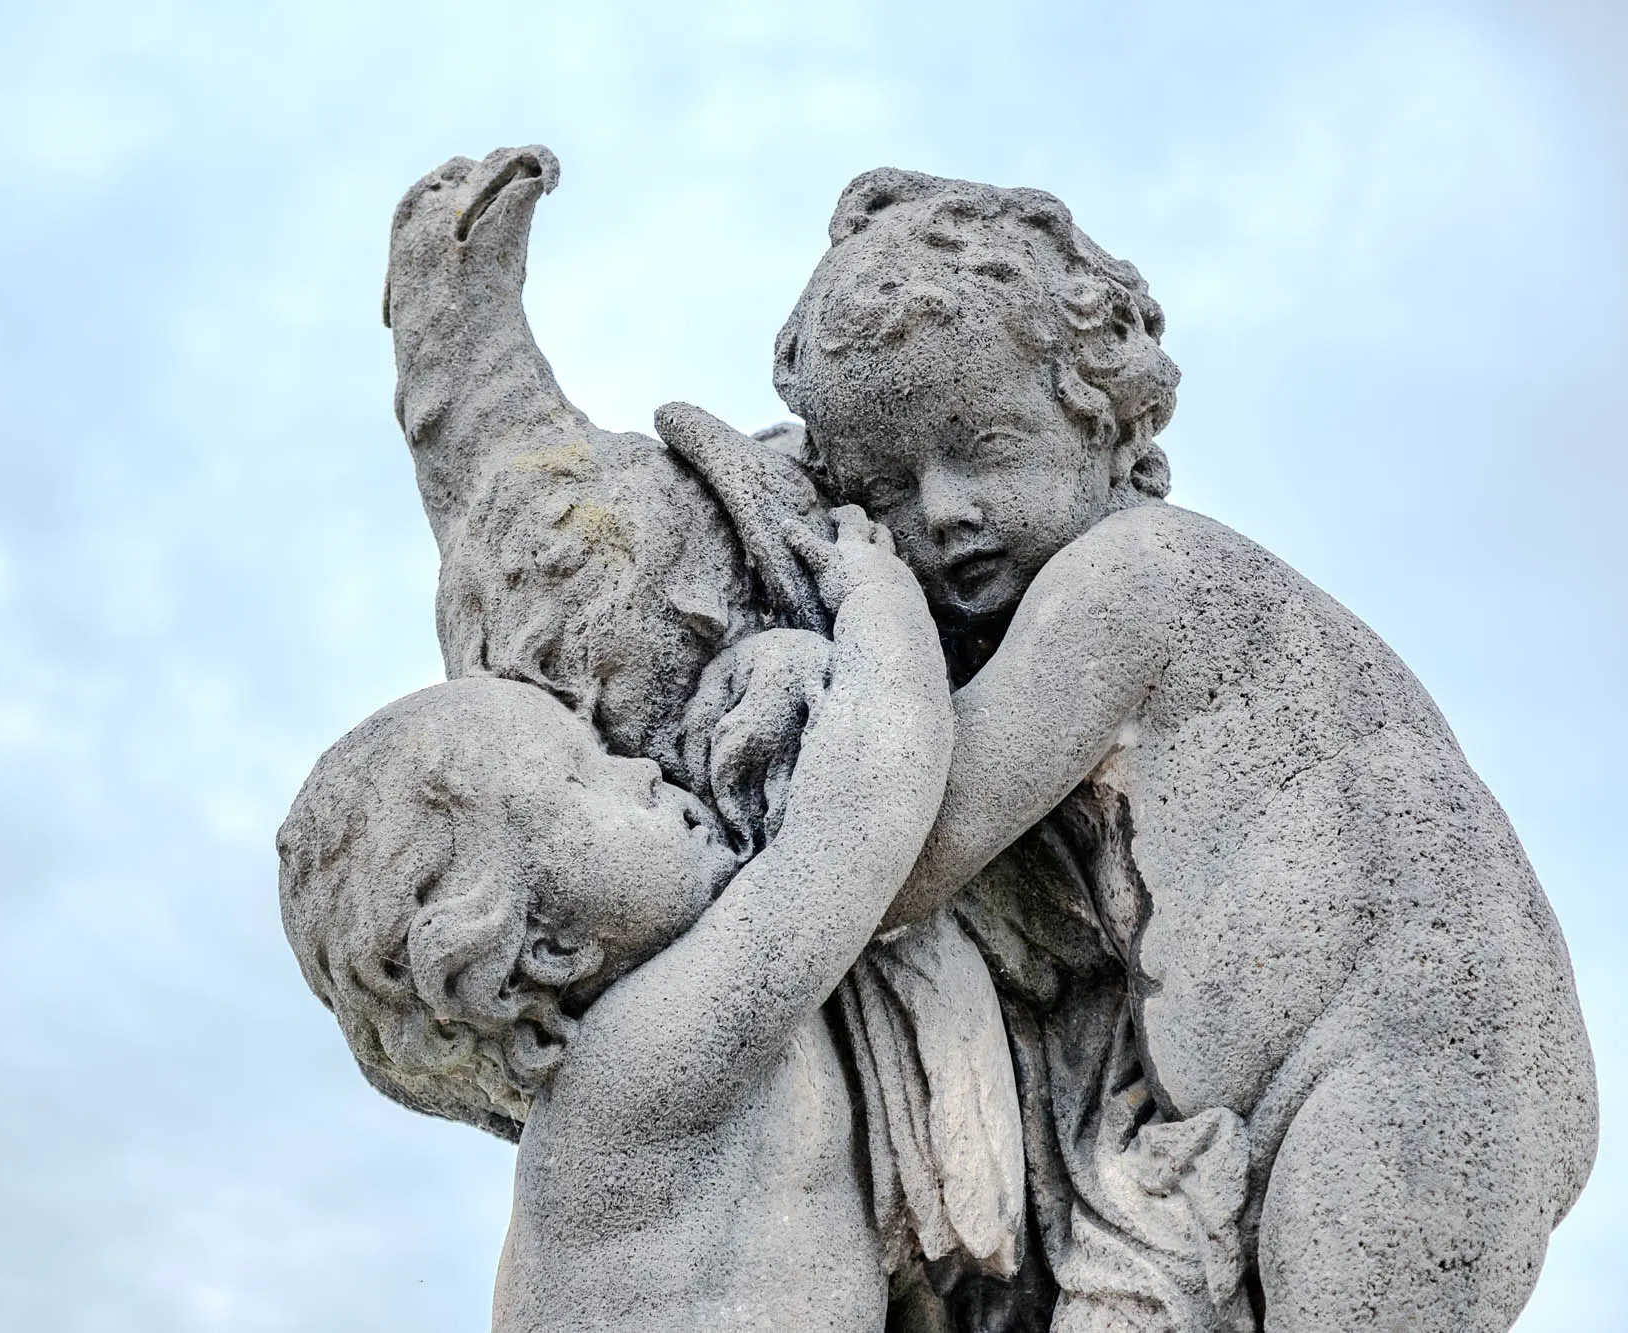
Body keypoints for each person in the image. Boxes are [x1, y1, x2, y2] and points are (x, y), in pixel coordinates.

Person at [660, 168, 1598, 1332]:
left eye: (981, 443)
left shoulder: (1132, 579)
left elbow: (904, 853)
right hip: (1311, 1106)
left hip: (1409, 1081)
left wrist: (866, 597)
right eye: (883, 488)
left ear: (1097, 414)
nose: (939, 510)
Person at [280, 506, 957, 1332]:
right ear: (543, 944)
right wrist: (882, 599)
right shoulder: (639, 1057)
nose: (639, 771)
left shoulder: (637, 1076)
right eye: (583, 779)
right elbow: (864, 815)